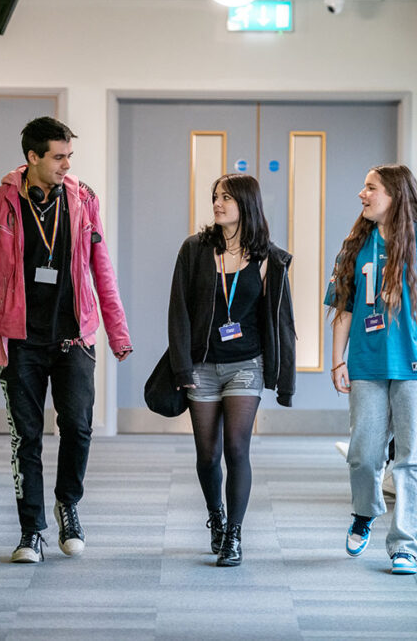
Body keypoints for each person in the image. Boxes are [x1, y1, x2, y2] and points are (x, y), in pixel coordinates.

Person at [0, 116, 132, 563]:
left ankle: (68, 504)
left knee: (77, 426)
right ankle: (31, 530)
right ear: (32, 157)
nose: (66, 165)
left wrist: (118, 331)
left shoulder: (83, 200)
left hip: (75, 338)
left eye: (69, 156)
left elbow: (102, 269)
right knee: (27, 437)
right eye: (58, 157)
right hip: (19, 342)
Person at [325, 164, 417, 575]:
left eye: (370, 188)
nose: (362, 195)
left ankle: (405, 546)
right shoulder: (356, 244)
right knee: (364, 455)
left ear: (395, 195)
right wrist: (337, 359)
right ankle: (365, 512)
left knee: (412, 459)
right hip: (367, 365)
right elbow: (344, 309)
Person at [167, 173, 296, 567]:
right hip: (202, 366)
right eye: (215, 197)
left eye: (226, 198)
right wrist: (182, 366)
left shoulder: (269, 259)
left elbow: (283, 322)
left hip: (246, 364)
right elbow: (179, 312)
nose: (218, 204)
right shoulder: (195, 250)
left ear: (246, 204)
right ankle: (216, 517)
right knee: (208, 454)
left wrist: (284, 379)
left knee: (238, 447)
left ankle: (234, 535)